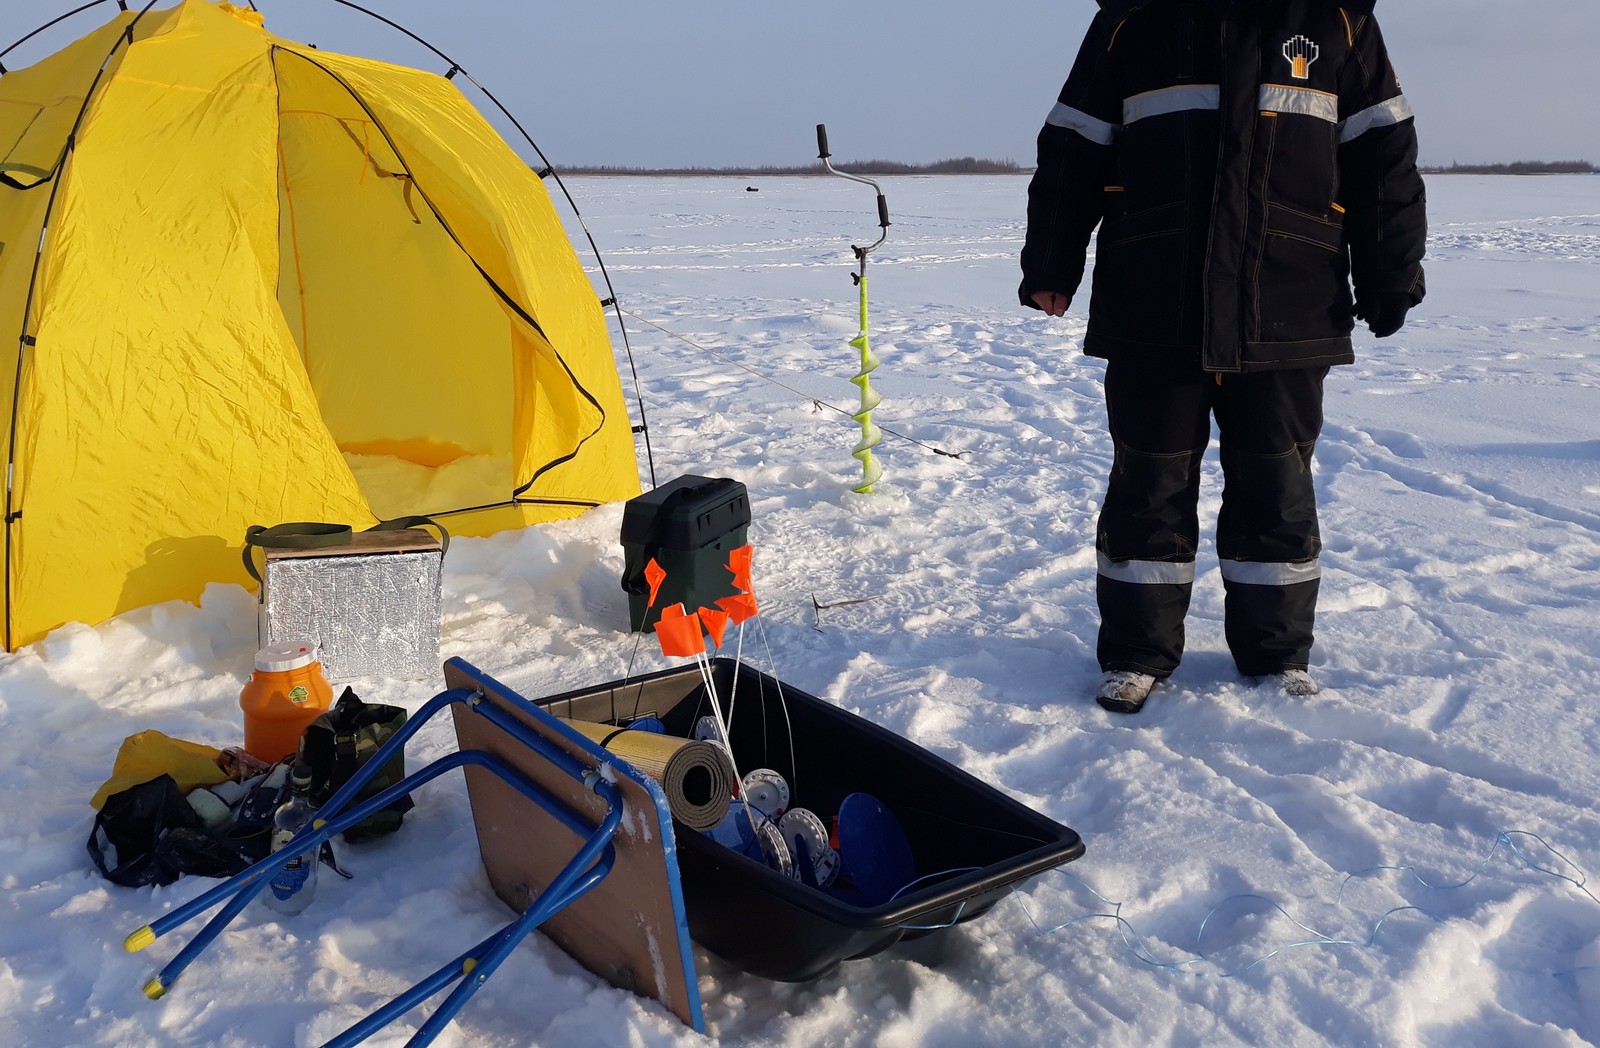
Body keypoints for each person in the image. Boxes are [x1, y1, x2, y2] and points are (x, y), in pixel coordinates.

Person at [1019, 0, 1425, 713]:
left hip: (1289, 297)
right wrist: (1053, 259)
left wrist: (1391, 273)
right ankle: (1138, 653)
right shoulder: (1132, 19)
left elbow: (1382, 156)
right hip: (1154, 295)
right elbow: (1075, 144)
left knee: (1277, 483)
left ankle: (1276, 656)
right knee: (1148, 478)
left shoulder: (1338, 21)